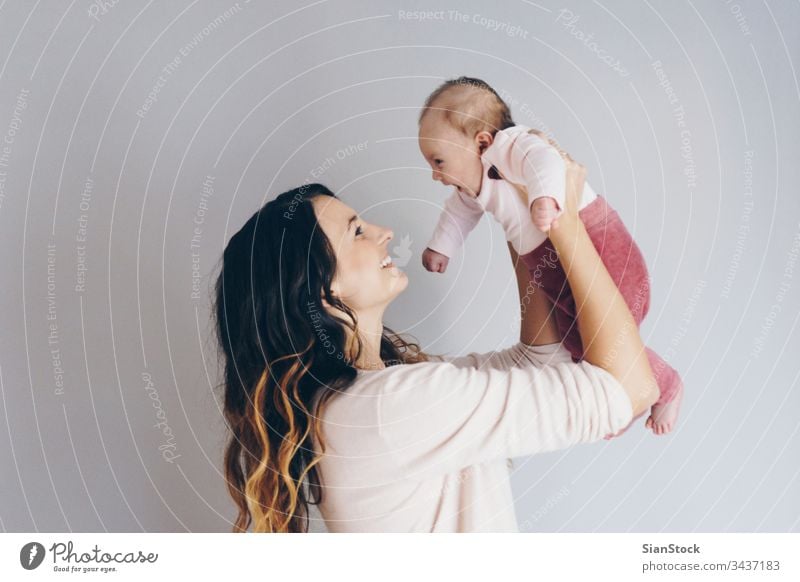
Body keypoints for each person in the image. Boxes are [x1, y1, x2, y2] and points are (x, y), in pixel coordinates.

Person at [213, 155, 659, 533]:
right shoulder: (387, 408)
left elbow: (538, 359)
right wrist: (565, 223)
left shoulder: (372, 402)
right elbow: (628, 390)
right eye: (356, 232)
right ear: (320, 292)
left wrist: (513, 211)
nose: (383, 231)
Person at [417, 76, 683, 436]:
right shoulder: (472, 188)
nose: (435, 174)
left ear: (481, 142)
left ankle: (660, 384)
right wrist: (441, 246)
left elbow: (544, 160)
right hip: (552, 267)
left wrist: (545, 198)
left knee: (592, 344)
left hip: (598, 243)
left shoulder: (511, 145)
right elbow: (457, 215)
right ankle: (622, 399)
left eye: (438, 160)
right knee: (577, 345)